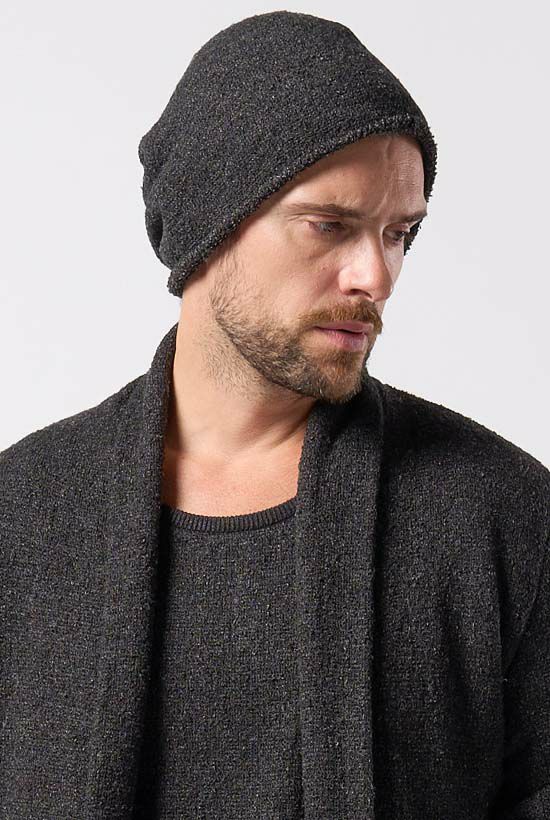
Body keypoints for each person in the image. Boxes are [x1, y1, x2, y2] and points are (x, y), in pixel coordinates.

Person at [1, 11, 548, 820]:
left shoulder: (502, 514)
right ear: (209, 227)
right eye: (329, 226)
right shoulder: (23, 513)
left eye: (400, 233)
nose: (375, 276)